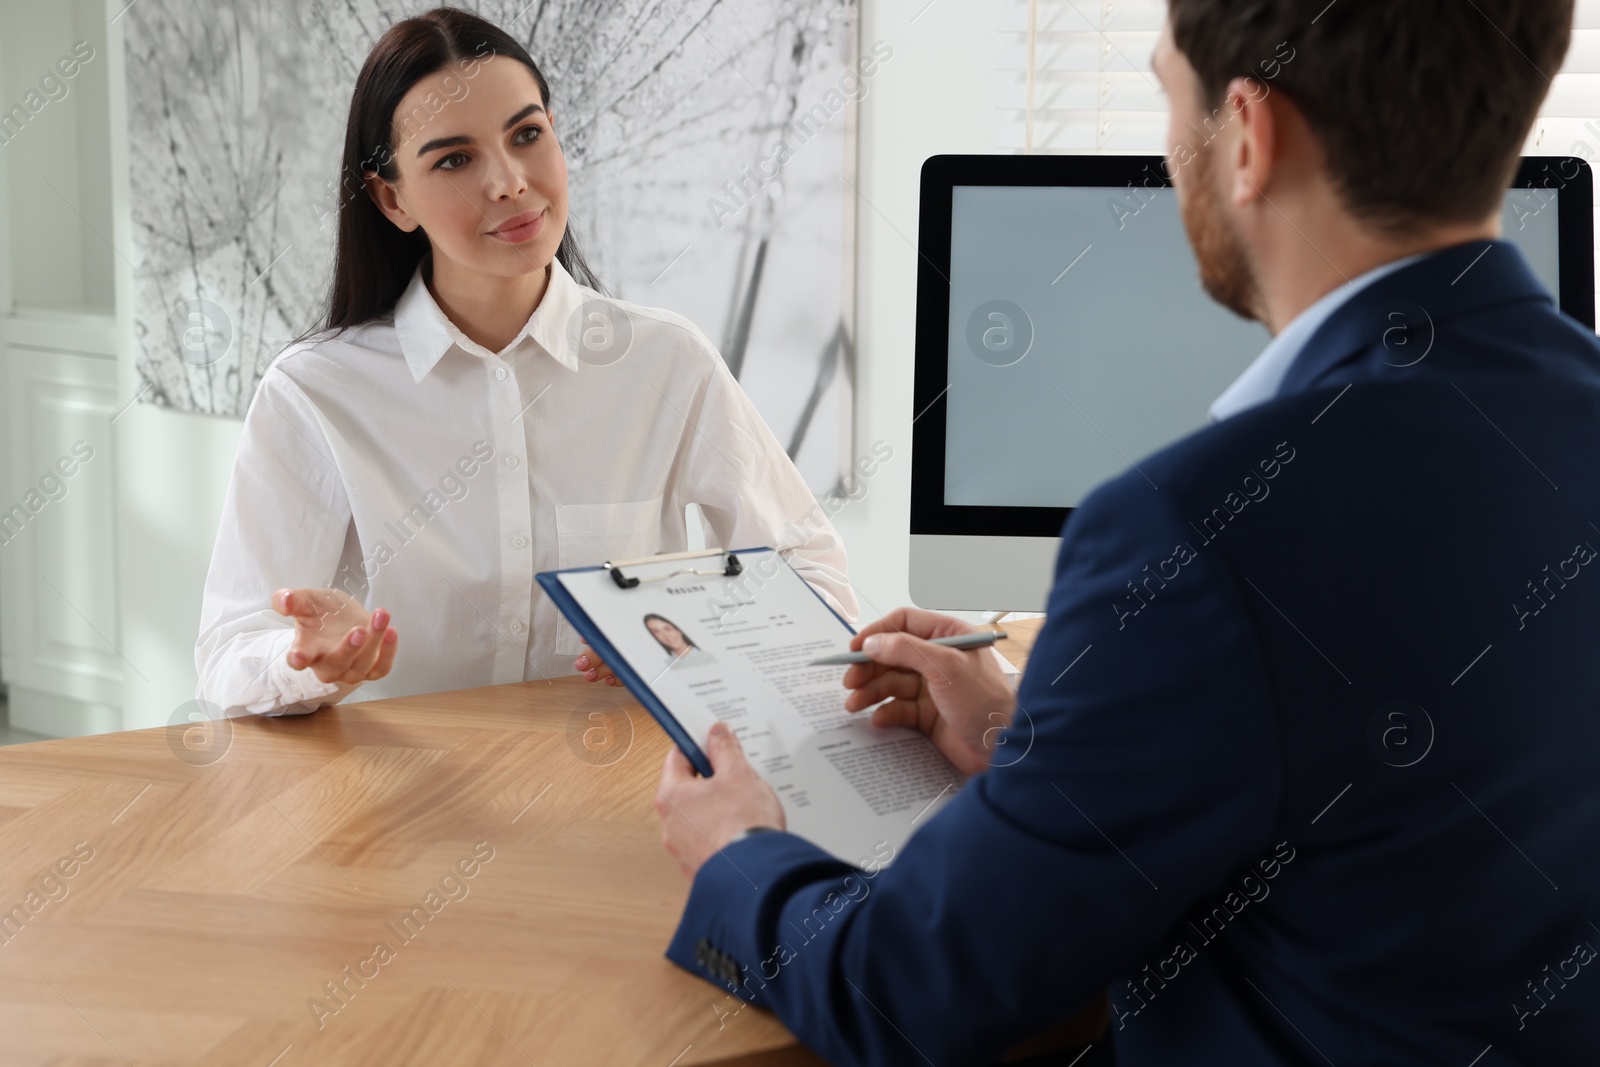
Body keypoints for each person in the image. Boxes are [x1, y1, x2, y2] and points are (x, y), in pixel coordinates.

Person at [652, 1, 1600, 1063]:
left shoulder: (1201, 525)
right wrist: (1039, 745)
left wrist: (738, 852)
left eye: (1166, 97)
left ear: (1249, 135)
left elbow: (909, 990)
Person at [194, 8, 855, 717]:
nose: (509, 180)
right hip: (401, 807)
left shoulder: (666, 364)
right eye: (454, 158)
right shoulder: (315, 391)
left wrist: (696, 633)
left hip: (625, 797)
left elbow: (815, 580)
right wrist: (308, 665)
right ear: (392, 199)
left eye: (527, 135)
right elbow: (229, 659)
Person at [644, 614, 716, 671]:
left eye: (667, 629)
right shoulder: (664, 664)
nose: (666, 636)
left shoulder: (706, 658)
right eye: (656, 632)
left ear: (678, 630)